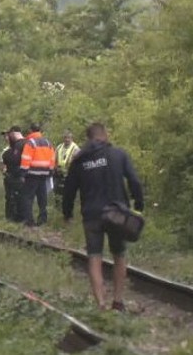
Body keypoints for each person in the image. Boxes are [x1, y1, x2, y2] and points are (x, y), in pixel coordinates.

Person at [62, 122, 144, 312]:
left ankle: (100, 304)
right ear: (104, 135)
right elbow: (134, 180)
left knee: (94, 256)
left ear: (88, 138)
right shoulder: (118, 154)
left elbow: (69, 190)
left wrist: (67, 214)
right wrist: (138, 205)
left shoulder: (79, 160)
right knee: (119, 254)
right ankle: (118, 301)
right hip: (117, 214)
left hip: (91, 215)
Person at [18, 123, 56, 227]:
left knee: (28, 197)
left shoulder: (30, 143)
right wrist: (50, 171)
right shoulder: (48, 143)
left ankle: (29, 221)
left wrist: (23, 174)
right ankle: (43, 220)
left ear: (31, 130)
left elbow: (26, 159)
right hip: (44, 174)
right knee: (42, 198)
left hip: (32, 174)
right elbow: (52, 159)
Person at [0, 127, 25, 222]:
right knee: (9, 198)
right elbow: (2, 165)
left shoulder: (20, 146)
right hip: (9, 176)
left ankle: (17, 217)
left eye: (7, 135)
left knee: (17, 197)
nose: (6, 137)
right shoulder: (5, 151)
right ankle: (10, 217)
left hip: (18, 176)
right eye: (5, 136)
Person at [53, 130, 80, 207]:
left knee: (69, 193)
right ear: (63, 138)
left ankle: (67, 209)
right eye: (65, 137)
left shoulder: (75, 148)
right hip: (59, 173)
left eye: (69, 138)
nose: (67, 139)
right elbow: (54, 159)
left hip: (70, 174)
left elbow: (77, 163)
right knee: (57, 192)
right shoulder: (59, 147)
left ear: (72, 138)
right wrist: (55, 168)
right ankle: (57, 208)